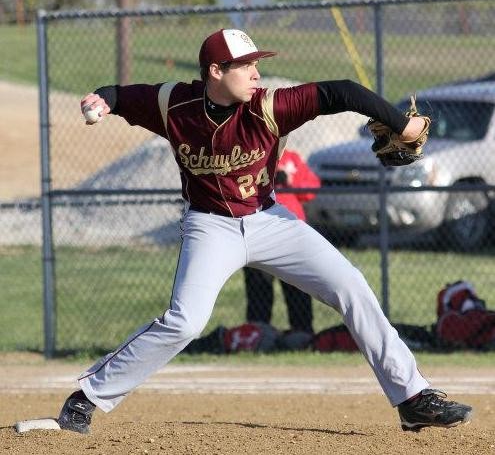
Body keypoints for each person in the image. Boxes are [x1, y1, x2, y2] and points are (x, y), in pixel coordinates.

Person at [58, 28, 472, 434]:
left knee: (351, 285)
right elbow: (120, 95)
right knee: (185, 322)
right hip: (209, 226)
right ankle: (87, 396)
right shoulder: (172, 104)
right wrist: (103, 99)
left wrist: (401, 123)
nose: (256, 73)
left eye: (257, 63)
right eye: (245, 65)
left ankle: (413, 399)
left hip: (269, 219)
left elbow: (342, 90)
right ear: (216, 71)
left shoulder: (272, 106)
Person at [244, 148, 320, 338]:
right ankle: (258, 333)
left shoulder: (291, 158)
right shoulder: (248, 155)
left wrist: (289, 181)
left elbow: (312, 188)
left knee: (298, 286)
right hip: (259, 231)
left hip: (292, 233)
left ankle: (302, 333)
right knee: (259, 287)